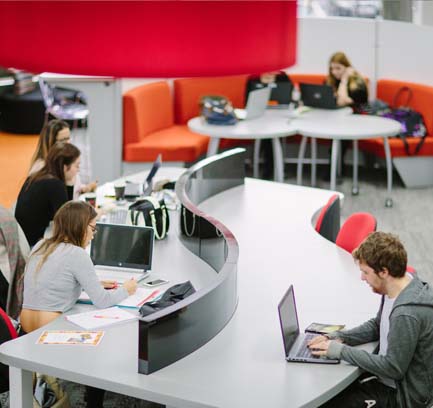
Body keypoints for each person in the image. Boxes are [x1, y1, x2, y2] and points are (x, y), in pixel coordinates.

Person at [20, 201, 137, 408]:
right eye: (93, 228)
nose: (94, 234)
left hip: (25, 328)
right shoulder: (77, 254)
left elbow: (53, 281)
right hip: (51, 334)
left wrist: (90, 282)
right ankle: (92, 402)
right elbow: (103, 301)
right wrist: (127, 289)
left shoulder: (41, 245)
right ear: (80, 226)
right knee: (103, 347)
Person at [308, 232, 433, 408]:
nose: (362, 278)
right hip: (387, 381)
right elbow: (377, 326)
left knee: (329, 403)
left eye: (365, 272)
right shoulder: (399, 287)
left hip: (400, 397)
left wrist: (341, 351)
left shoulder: (406, 313)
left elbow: (393, 368)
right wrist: (339, 336)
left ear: (383, 272)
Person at [15, 143, 80, 247]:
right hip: (33, 244)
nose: (78, 170)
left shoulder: (39, 175)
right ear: (64, 167)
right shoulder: (55, 185)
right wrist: (70, 184)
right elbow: (68, 221)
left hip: (22, 238)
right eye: (77, 166)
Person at [29, 119, 97, 198]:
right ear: (50, 141)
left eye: (68, 138)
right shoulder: (41, 167)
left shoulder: (63, 159)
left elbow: (71, 189)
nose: (67, 143)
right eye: (62, 140)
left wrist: (83, 189)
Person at [246, 71, 292, 180]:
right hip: (259, 116)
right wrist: (262, 84)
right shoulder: (253, 78)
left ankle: (267, 168)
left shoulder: (282, 77)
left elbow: (288, 98)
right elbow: (247, 103)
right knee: (267, 133)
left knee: (272, 131)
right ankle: (271, 169)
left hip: (279, 117)